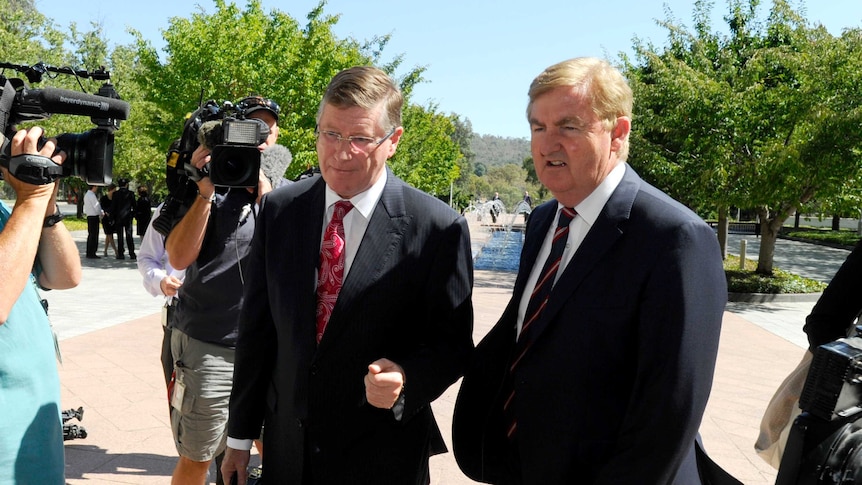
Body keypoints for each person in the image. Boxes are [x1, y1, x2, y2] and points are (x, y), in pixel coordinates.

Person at [452, 57, 727, 484]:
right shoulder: (544, 220)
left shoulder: (675, 237)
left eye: (569, 126)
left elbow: (668, 413)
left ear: (617, 134)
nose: (547, 144)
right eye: (538, 127)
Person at [221, 66, 474, 485]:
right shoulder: (280, 212)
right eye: (331, 134)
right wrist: (239, 436)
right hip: (288, 453)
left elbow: (452, 346)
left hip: (382, 457)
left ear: (393, 141)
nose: (341, 152)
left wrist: (408, 378)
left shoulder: (437, 228)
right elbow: (258, 331)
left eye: (360, 138)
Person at [165, 95, 281, 485]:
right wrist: (204, 190)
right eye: (252, 127)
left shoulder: (288, 191)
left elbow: (292, 258)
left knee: (276, 451)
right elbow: (179, 258)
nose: (260, 137)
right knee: (198, 457)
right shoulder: (204, 184)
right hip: (210, 344)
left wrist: (266, 193)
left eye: (267, 129)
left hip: (269, 350)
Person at [0, 126, 82, 483]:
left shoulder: (6, 211)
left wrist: (44, 206)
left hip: (35, 454)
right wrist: (31, 199)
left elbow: (64, 276)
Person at [136, 201, 185, 388]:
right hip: (180, 314)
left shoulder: (256, 202)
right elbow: (147, 257)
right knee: (178, 395)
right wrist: (160, 280)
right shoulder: (172, 207)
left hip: (236, 319)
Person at [111, 177, 136, 260]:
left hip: (118, 217)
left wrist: (112, 217)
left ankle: (121, 253)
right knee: (129, 235)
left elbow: (113, 207)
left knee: (120, 236)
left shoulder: (115, 194)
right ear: (126, 185)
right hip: (128, 217)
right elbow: (134, 206)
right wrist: (133, 215)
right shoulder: (131, 194)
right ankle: (131, 253)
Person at [83, 185, 104, 259]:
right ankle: (92, 252)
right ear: (93, 187)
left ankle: (89, 251)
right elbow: (96, 206)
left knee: (91, 235)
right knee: (94, 235)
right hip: (94, 217)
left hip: (89, 216)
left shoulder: (87, 195)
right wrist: (101, 213)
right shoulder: (92, 195)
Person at [100, 184, 118, 257]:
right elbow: (102, 207)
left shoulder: (115, 198)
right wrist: (107, 212)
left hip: (113, 218)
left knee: (108, 235)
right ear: (110, 190)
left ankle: (105, 251)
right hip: (106, 218)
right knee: (110, 235)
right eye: (114, 190)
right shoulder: (104, 198)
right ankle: (116, 251)